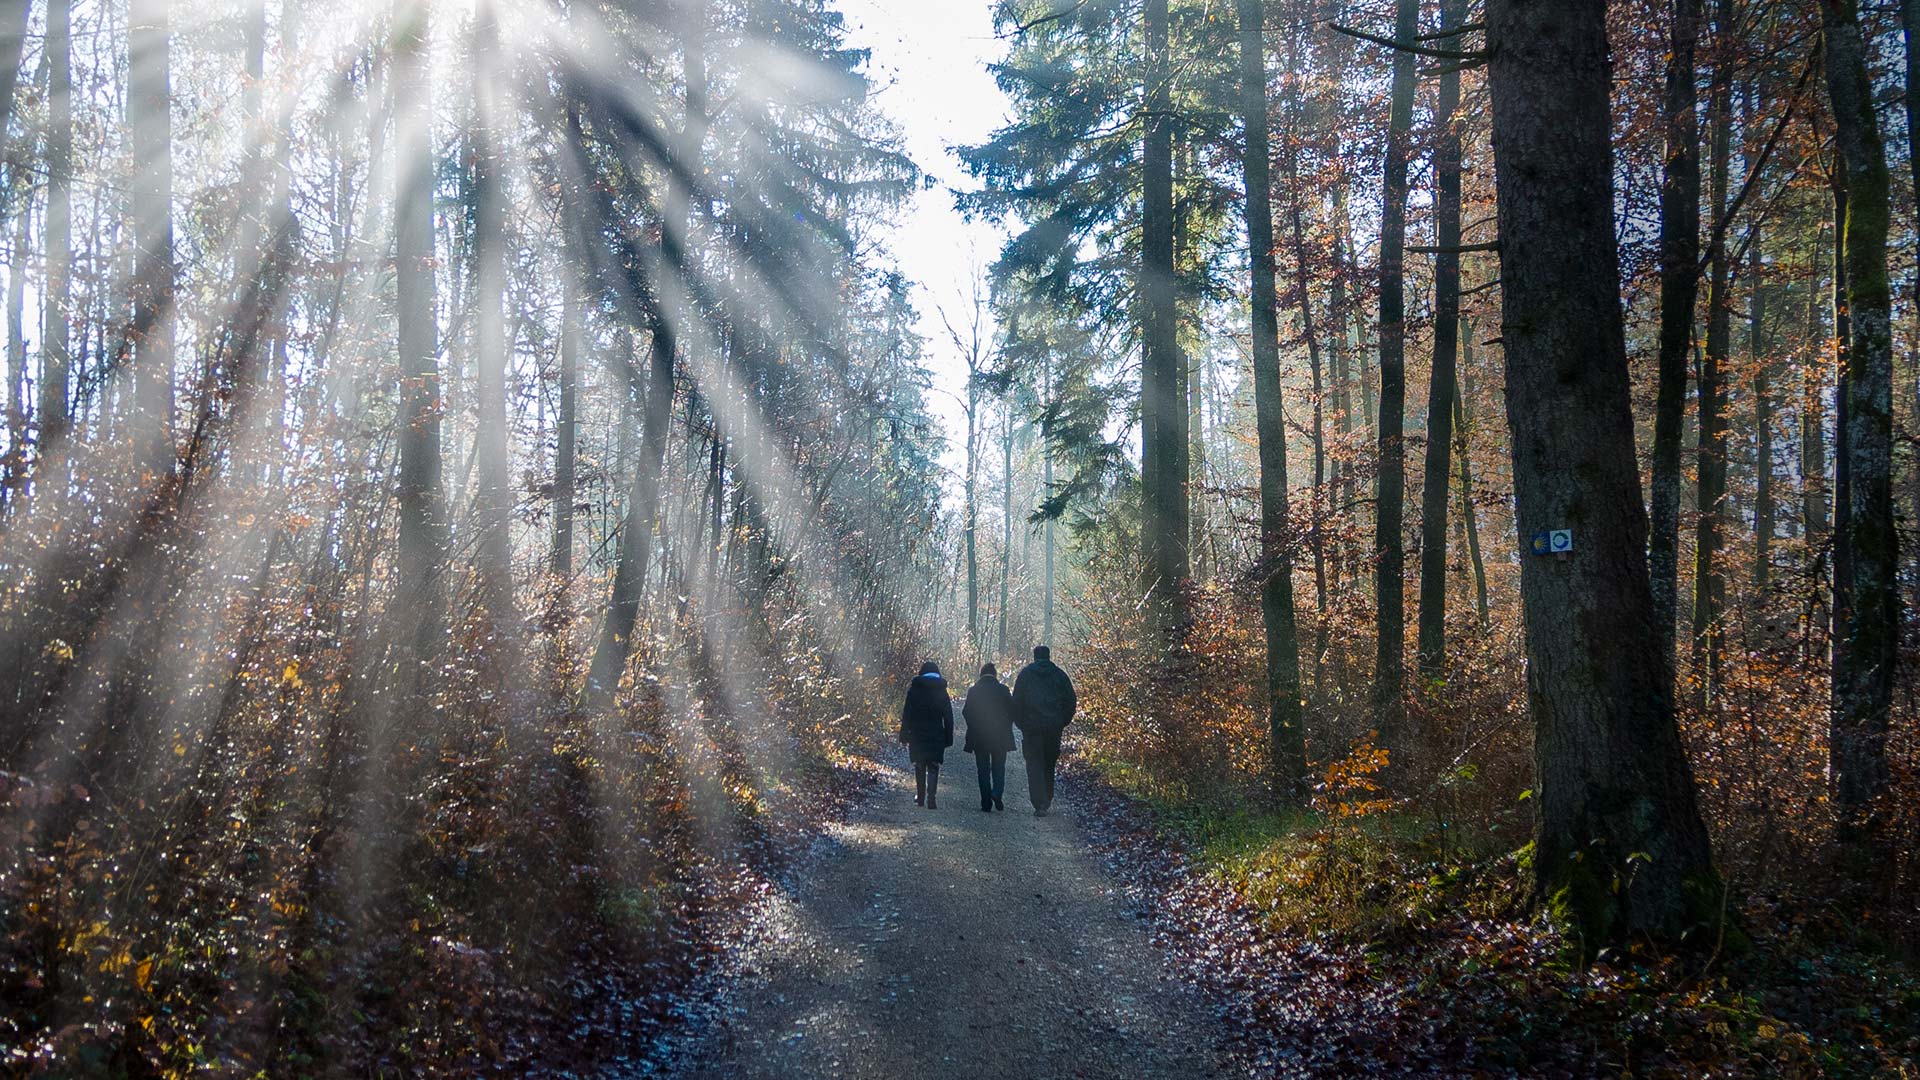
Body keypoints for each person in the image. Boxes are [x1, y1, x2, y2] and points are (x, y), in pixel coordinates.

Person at [1011, 645, 1076, 816]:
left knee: (1034, 764)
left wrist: (1021, 724)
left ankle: (1039, 801)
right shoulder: (1060, 676)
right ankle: (1046, 798)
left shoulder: (1025, 675)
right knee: (1049, 763)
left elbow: (1016, 701)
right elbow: (1071, 701)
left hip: (1031, 728)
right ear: (1049, 656)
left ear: (1034, 657)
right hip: (1053, 728)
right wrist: (1062, 721)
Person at [961, 663, 1017, 812]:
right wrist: (1005, 725)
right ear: (995, 675)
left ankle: (986, 802)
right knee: (999, 767)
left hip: (979, 737)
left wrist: (974, 726)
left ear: (981, 675)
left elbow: (966, 712)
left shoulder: (974, 691)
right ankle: (997, 792)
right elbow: (1013, 711)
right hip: (1000, 737)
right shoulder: (1003, 690)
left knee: (983, 769)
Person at [898, 660, 953, 808]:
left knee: (920, 764)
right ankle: (932, 798)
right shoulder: (942, 692)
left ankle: (920, 797)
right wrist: (948, 737)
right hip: (936, 734)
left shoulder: (914, 690)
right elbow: (948, 716)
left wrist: (904, 734)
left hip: (917, 734)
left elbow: (907, 714)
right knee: (934, 765)